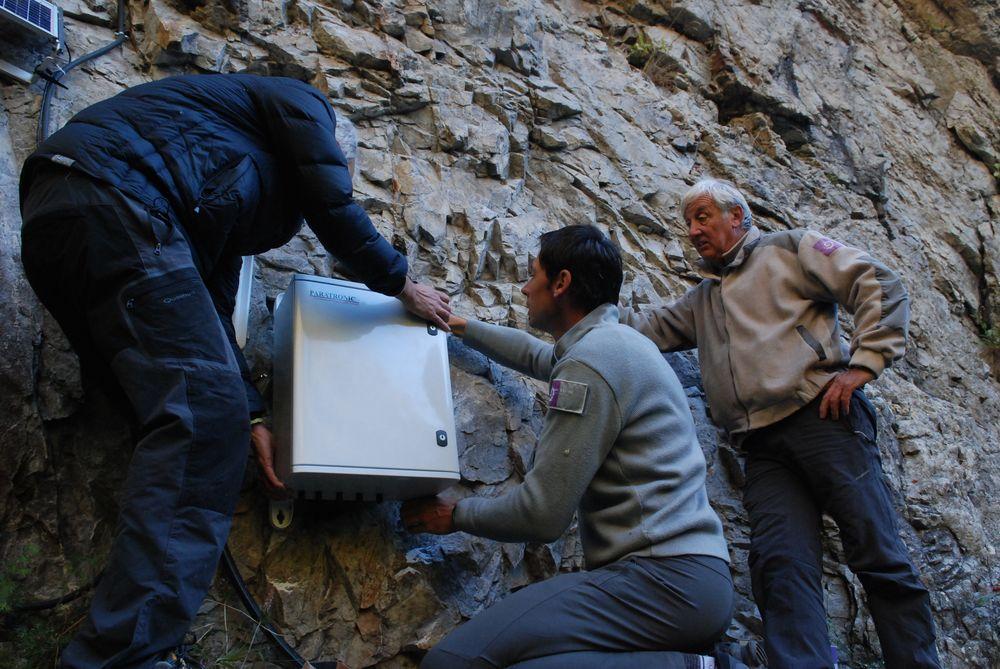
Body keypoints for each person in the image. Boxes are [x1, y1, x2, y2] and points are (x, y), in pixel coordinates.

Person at [19, 73, 450, 669]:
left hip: (65, 217)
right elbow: (333, 201)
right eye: (339, 167)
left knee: (180, 415)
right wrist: (400, 282)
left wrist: (248, 412)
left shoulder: (226, 172)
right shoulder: (306, 105)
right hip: (119, 201)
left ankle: (129, 639)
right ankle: (127, 656)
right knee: (200, 423)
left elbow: (209, 306)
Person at [621, 178, 940, 668]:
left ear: (738, 216)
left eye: (703, 216)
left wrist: (862, 364)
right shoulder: (704, 299)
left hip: (825, 417)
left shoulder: (790, 249)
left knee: (876, 553)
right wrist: (576, 317)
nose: (693, 230)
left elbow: (877, 281)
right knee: (779, 567)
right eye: (688, 222)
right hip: (762, 447)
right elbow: (643, 330)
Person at [402, 225, 745, 669]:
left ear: (560, 283)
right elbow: (539, 358)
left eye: (533, 275)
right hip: (694, 582)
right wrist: (460, 325)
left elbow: (542, 515)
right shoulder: (617, 344)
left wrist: (455, 516)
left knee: (453, 661)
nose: (525, 288)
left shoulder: (591, 361)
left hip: (660, 581)